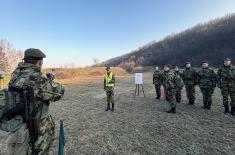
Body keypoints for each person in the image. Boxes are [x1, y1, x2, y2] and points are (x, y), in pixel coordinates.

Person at [6, 48, 65, 155]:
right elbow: (59, 92)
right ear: (40, 62)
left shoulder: (15, 74)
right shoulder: (37, 77)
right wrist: (47, 79)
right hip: (36, 128)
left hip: (18, 128)